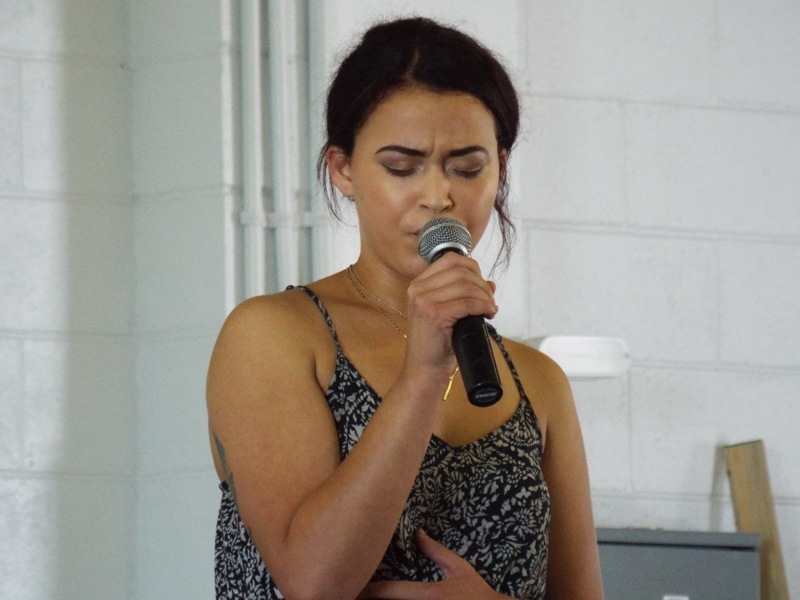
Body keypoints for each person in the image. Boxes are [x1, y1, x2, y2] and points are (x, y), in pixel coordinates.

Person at [207, 16, 604, 600]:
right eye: (402, 167)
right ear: (343, 169)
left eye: (468, 168)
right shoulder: (274, 336)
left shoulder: (539, 381)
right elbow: (314, 582)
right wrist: (423, 373)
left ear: (500, 169)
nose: (438, 196)